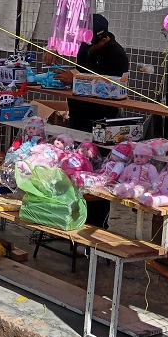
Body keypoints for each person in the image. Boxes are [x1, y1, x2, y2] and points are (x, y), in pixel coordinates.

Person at [49, 13, 130, 227]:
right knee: (75, 167)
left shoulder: (117, 55)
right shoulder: (85, 47)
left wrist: (76, 79)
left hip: (102, 121)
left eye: (90, 43)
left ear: (103, 39)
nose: (85, 47)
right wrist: (53, 50)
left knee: (97, 173)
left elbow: (109, 88)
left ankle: (96, 224)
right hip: (79, 116)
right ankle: (72, 217)